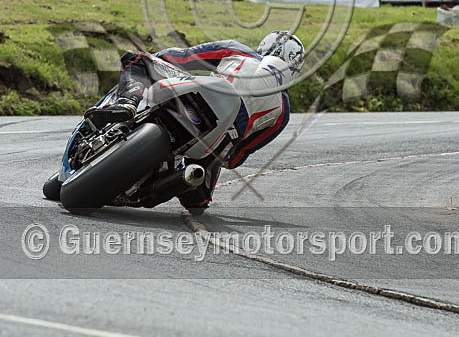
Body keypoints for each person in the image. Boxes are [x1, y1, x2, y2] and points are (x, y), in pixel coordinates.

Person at [83, 31, 304, 213]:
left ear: (263, 47)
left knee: (137, 59)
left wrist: (155, 59)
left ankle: (126, 103)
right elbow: (235, 159)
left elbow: (184, 57)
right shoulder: (283, 113)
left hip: (198, 93)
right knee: (197, 203)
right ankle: (174, 181)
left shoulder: (239, 50)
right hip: (219, 140)